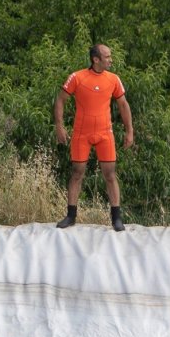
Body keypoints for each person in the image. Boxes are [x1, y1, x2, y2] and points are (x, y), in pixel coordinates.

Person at [54, 44, 134, 231]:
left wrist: (130, 130)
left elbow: (123, 104)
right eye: (107, 56)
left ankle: (116, 217)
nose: (111, 60)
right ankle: (71, 216)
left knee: (110, 174)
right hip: (82, 134)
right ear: (95, 59)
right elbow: (60, 99)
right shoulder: (78, 77)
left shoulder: (113, 79)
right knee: (77, 173)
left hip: (105, 133)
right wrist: (59, 126)